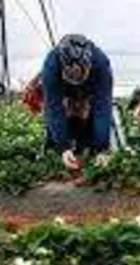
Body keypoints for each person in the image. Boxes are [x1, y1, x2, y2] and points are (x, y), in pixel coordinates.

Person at [40, 34, 113, 170]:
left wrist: (102, 148)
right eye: (70, 72)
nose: (75, 75)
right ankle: (55, 150)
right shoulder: (51, 66)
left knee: (87, 114)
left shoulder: (101, 63)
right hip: (64, 88)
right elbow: (53, 106)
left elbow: (103, 105)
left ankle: (89, 147)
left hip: (89, 88)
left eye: (79, 72)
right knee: (63, 114)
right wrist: (63, 147)